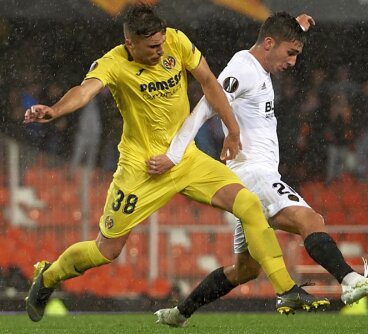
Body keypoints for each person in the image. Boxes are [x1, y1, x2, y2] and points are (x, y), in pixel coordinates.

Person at [23, 6, 329, 322]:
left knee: (249, 205)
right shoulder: (112, 63)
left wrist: (233, 130)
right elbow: (84, 92)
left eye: (162, 43)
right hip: (143, 170)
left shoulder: (177, 42)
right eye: (153, 47)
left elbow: (211, 82)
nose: (160, 50)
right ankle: (48, 277)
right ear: (131, 43)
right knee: (105, 251)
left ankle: (286, 289)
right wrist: (56, 110)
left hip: (186, 160)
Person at [149, 12, 368, 328]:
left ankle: (179, 314)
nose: (292, 62)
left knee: (245, 270)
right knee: (311, 220)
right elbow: (207, 105)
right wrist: (174, 154)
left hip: (250, 180)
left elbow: (274, 38)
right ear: (268, 44)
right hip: (254, 175)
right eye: (290, 53)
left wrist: (296, 27)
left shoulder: (258, 63)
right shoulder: (243, 69)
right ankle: (350, 280)